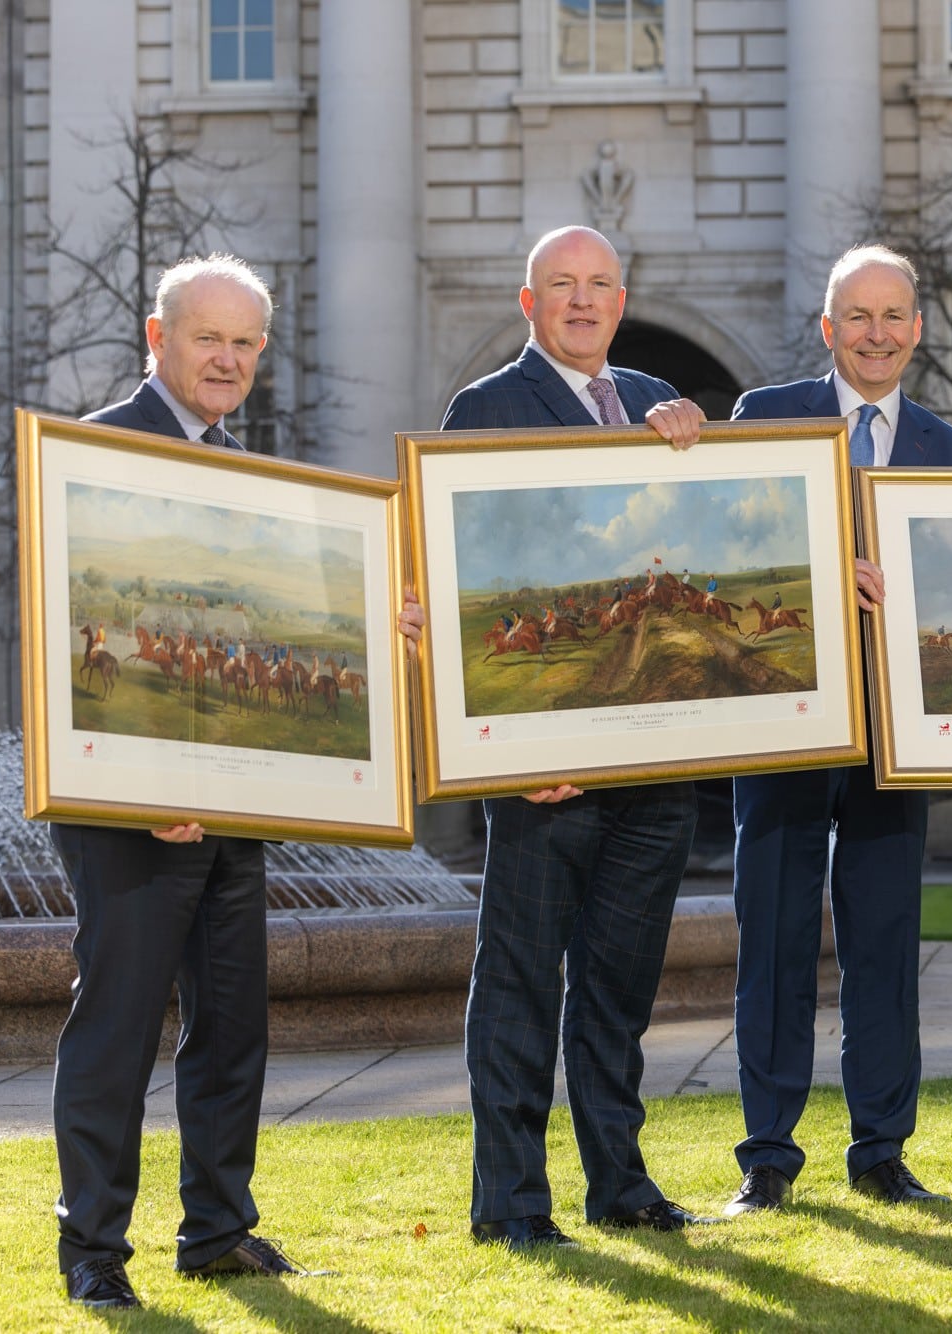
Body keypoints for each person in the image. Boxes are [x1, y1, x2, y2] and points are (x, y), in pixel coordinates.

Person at [398, 225, 715, 1245]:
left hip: (654, 766)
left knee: (620, 989)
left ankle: (619, 1184)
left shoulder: (658, 402)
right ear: (528, 303)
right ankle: (511, 1201)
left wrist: (702, 444)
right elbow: (456, 579)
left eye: (599, 285)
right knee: (522, 982)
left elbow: (692, 539)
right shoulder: (485, 407)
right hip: (540, 771)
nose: (582, 302)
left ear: (621, 299)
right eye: (561, 286)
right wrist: (501, 751)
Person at [53, 254, 314, 1310]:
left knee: (233, 1024)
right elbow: (67, 640)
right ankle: (92, 1248)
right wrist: (136, 783)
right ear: (158, 340)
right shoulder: (93, 451)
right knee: (118, 1025)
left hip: (234, 801)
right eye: (210, 338)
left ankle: (217, 1225)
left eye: (247, 342)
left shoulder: (251, 473)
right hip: (128, 806)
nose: (230, 359)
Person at [721, 245, 952, 1217]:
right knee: (775, 943)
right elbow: (737, 553)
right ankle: (766, 1155)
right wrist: (832, 566)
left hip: (894, 737)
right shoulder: (765, 419)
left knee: (881, 945)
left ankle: (880, 1147)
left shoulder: (946, 451)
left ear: (915, 330)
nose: (875, 333)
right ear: (827, 328)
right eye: (856, 316)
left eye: (893, 316)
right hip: (783, 724)